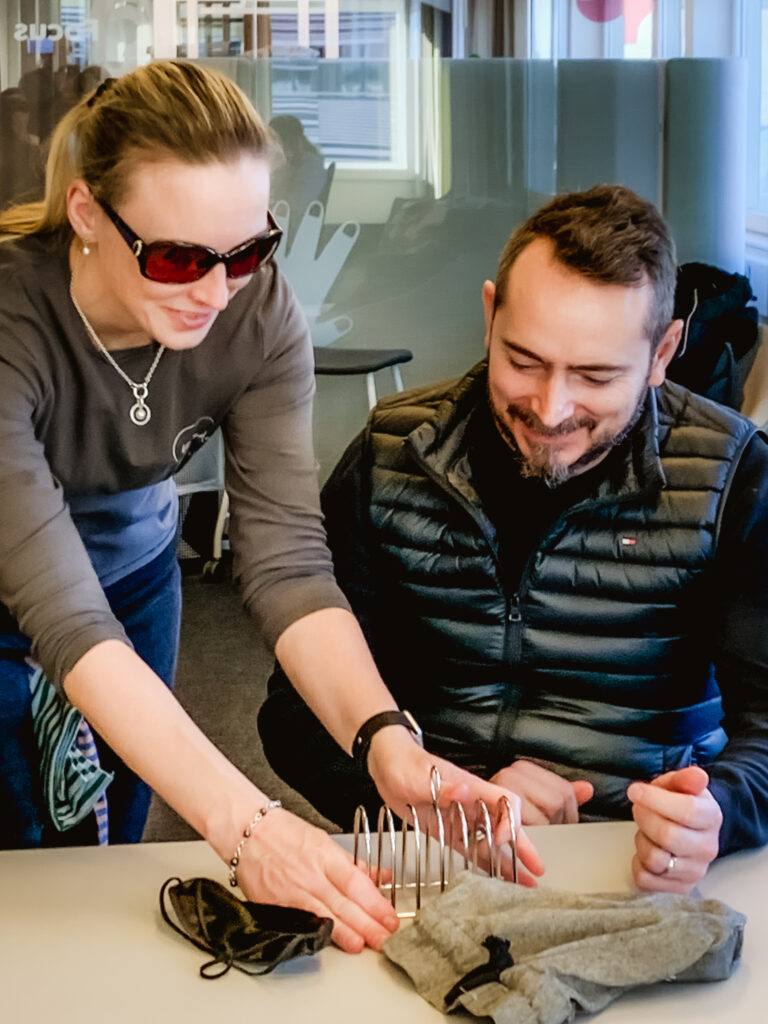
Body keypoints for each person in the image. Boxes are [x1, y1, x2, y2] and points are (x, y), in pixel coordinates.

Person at [0, 60, 542, 954]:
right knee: (21, 862)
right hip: (16, 589)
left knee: (105, 847)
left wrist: (385, 743)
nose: (216, 293)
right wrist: (248, 826)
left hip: (135, 577)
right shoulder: (15, 317)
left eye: (247, 252)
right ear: (89, 214)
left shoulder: (257, 316)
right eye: (177, 257)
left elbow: (287, 557)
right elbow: (61, 613)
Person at [260, 184, 768, 896]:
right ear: (490, 311)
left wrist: (715, 811)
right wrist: (433, 807)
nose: (550, 409)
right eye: (524, 361)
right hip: (428, 862)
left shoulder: (731, 473)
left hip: (638, 869)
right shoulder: (390, 453)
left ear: (662, 354)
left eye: (594, 376)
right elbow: (294, 714)